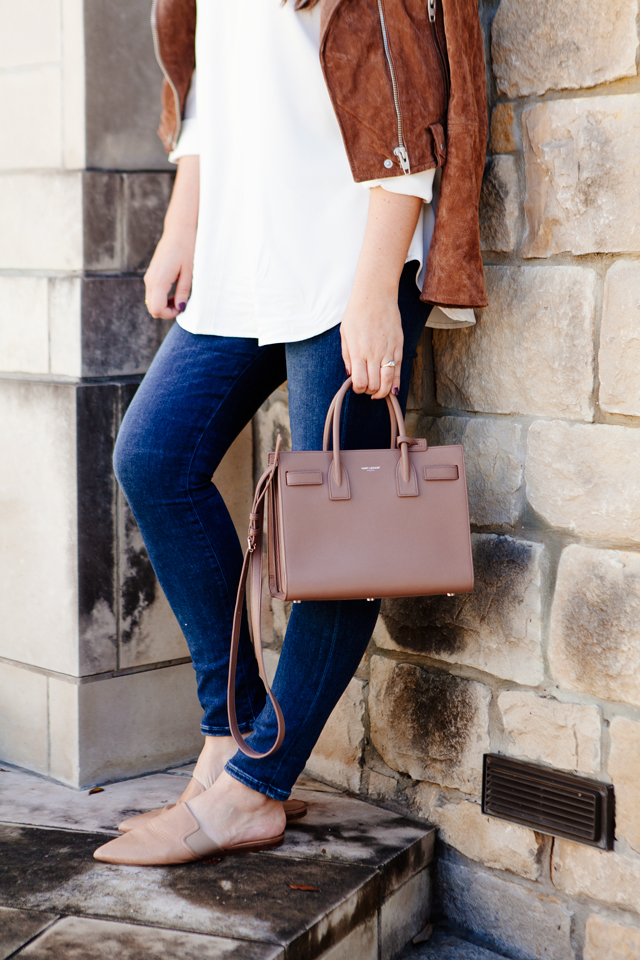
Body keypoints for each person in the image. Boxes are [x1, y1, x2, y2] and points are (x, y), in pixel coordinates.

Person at [94, 0, 487, 865]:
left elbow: (407, 98)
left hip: (348, 254)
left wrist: (377, 288)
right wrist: (181, 225)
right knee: (155, 456)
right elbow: (214, 87)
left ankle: (255, 786)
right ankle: (227, 735)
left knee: (345, 537)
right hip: (246, 251)